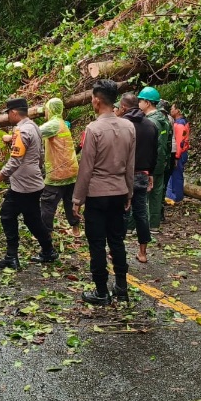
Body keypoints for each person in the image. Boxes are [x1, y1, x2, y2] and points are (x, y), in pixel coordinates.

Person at [73, 80, 136, 305]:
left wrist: (77, 199)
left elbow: (86, 167)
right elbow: (131, 164)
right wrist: (129, 193)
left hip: (97, 194)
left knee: (97, 243)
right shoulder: (129, 127)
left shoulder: (93, 129)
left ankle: (101, 291)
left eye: (92, 98)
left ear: (97, 101)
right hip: (119, 191)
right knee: (117, 240)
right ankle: (122, 286)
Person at [0, 97, 56, 268]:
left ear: (14, 113)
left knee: (7, 216)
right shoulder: (34, 127)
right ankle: (48, 251)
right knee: (32, 220)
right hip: (33, 182)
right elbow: (37, 154)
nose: (8, 116)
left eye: (8, 113)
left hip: (23, 186)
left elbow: (15, 161)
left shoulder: (22, 131)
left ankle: (12, 256)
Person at [118, 92, 157, 263]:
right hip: (143, 174)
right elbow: (155, 152)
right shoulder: (150, 125)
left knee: (122, 213)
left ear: (124, 107)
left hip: (124, 174)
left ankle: (116, 251)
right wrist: (151, 173)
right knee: (141, 212)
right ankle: (143, 252)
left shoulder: (122, 125)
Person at [38, 97, 82, 244]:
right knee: (69, 202)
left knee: (47, 204)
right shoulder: (62, 124)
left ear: (50, 109)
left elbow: (33, 134)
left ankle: (46, 236)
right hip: (71, 170)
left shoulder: (53, 125)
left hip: (58, 173)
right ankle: (76, 230)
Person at [137, 86, 171, 233]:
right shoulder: (164, 120)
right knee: (157, 193)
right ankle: (154, 225)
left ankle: (141, 226)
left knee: (143, 195)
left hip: (151, 163)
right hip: (162, 161)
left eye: (140, 100)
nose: (138, 103)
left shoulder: (151, 122)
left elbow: (151, 146)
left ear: (147, 102)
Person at [165, 103, 190, 205]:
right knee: (175, 174)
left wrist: (176, 156)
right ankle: (172, 196)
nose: (171, 110)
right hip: (183, 152)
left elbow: (180, 142)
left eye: (172, 109)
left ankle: (176, 198)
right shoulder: (182, 122)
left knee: (176, 175)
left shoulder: (179, 125)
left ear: (178, 110)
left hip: (180, 153)